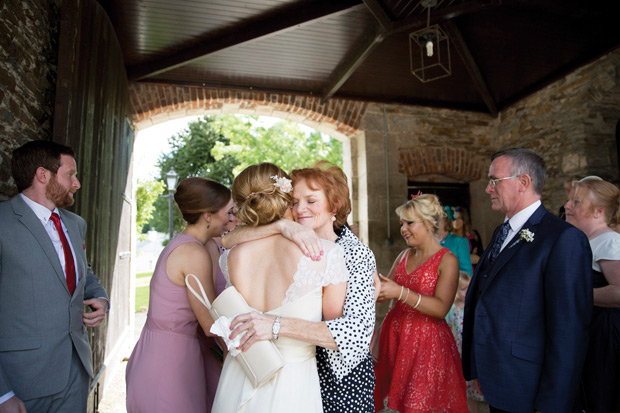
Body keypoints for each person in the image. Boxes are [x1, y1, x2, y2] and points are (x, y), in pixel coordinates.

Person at [223, 162, 378, 412]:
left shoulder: (354, 254)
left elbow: (357, 334)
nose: (300, 209)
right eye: (294, 201)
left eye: (311, 201)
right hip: (282, 369)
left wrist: (274, 324)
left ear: (334, 206)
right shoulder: (285, 236)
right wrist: (281, 225)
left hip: (338, 381)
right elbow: (226, 240)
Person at [462, 148, 592, 412]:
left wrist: (552, 403)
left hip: (529, 388)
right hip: (496, 379)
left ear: (523, 182)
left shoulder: (562, 239)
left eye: (494, 180)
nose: (488, 189)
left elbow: (569, 331)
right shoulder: (501, 231)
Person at [0, 140, 109, 412]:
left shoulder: (75, 223)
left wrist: (99, 297)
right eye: (70, 174)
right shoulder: (2, 223)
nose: (77, 183)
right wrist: (2, 394)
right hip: (22, 380)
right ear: (42, 175)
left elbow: (84, 275)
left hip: (76, 372)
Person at [126, 177, 234, 412]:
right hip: (170, 359)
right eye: (228, 212)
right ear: (208, 215)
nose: (231, 218)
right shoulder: (192, 253)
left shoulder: (182, 244)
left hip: (158, 348)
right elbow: (209, 324)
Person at [374, 194, 468, 412]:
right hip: (395, 338)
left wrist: (401, 292)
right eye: (401, 224)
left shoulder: (447, 260)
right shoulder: (403, 255)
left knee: (421, 405)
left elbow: (441, 307)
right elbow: (385, 294)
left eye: (409, 223)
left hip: (427, 344)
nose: (403, 229)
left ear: (430, 223)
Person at [564, 176, 620, 412]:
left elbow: (619, 292)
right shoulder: (585, 240)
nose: (568, 206)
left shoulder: (609, 241)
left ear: (598, 212)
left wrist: (574, 295)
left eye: (576, 202)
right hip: (587, 330)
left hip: (603, 335)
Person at [446, 271, 486, 412]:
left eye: (469, 288)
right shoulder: (450, 308)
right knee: (456, 386)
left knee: (470, 389)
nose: (467, 292)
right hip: (455, 353)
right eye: (463, 289)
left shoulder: (473, 308)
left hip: (467, 353)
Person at [438, 210, 472, 275]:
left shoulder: (459, 242)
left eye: (437, 219)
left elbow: (467, 274)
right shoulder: (429, 243)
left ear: (445, 221)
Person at [451, 206, 484, 271]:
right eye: (454, 218)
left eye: (459, 218)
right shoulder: (449, 237)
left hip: (472, 274)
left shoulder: (474, 235)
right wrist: (469, 257)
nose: (456, 221)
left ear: (464, 220)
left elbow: (479, 258)